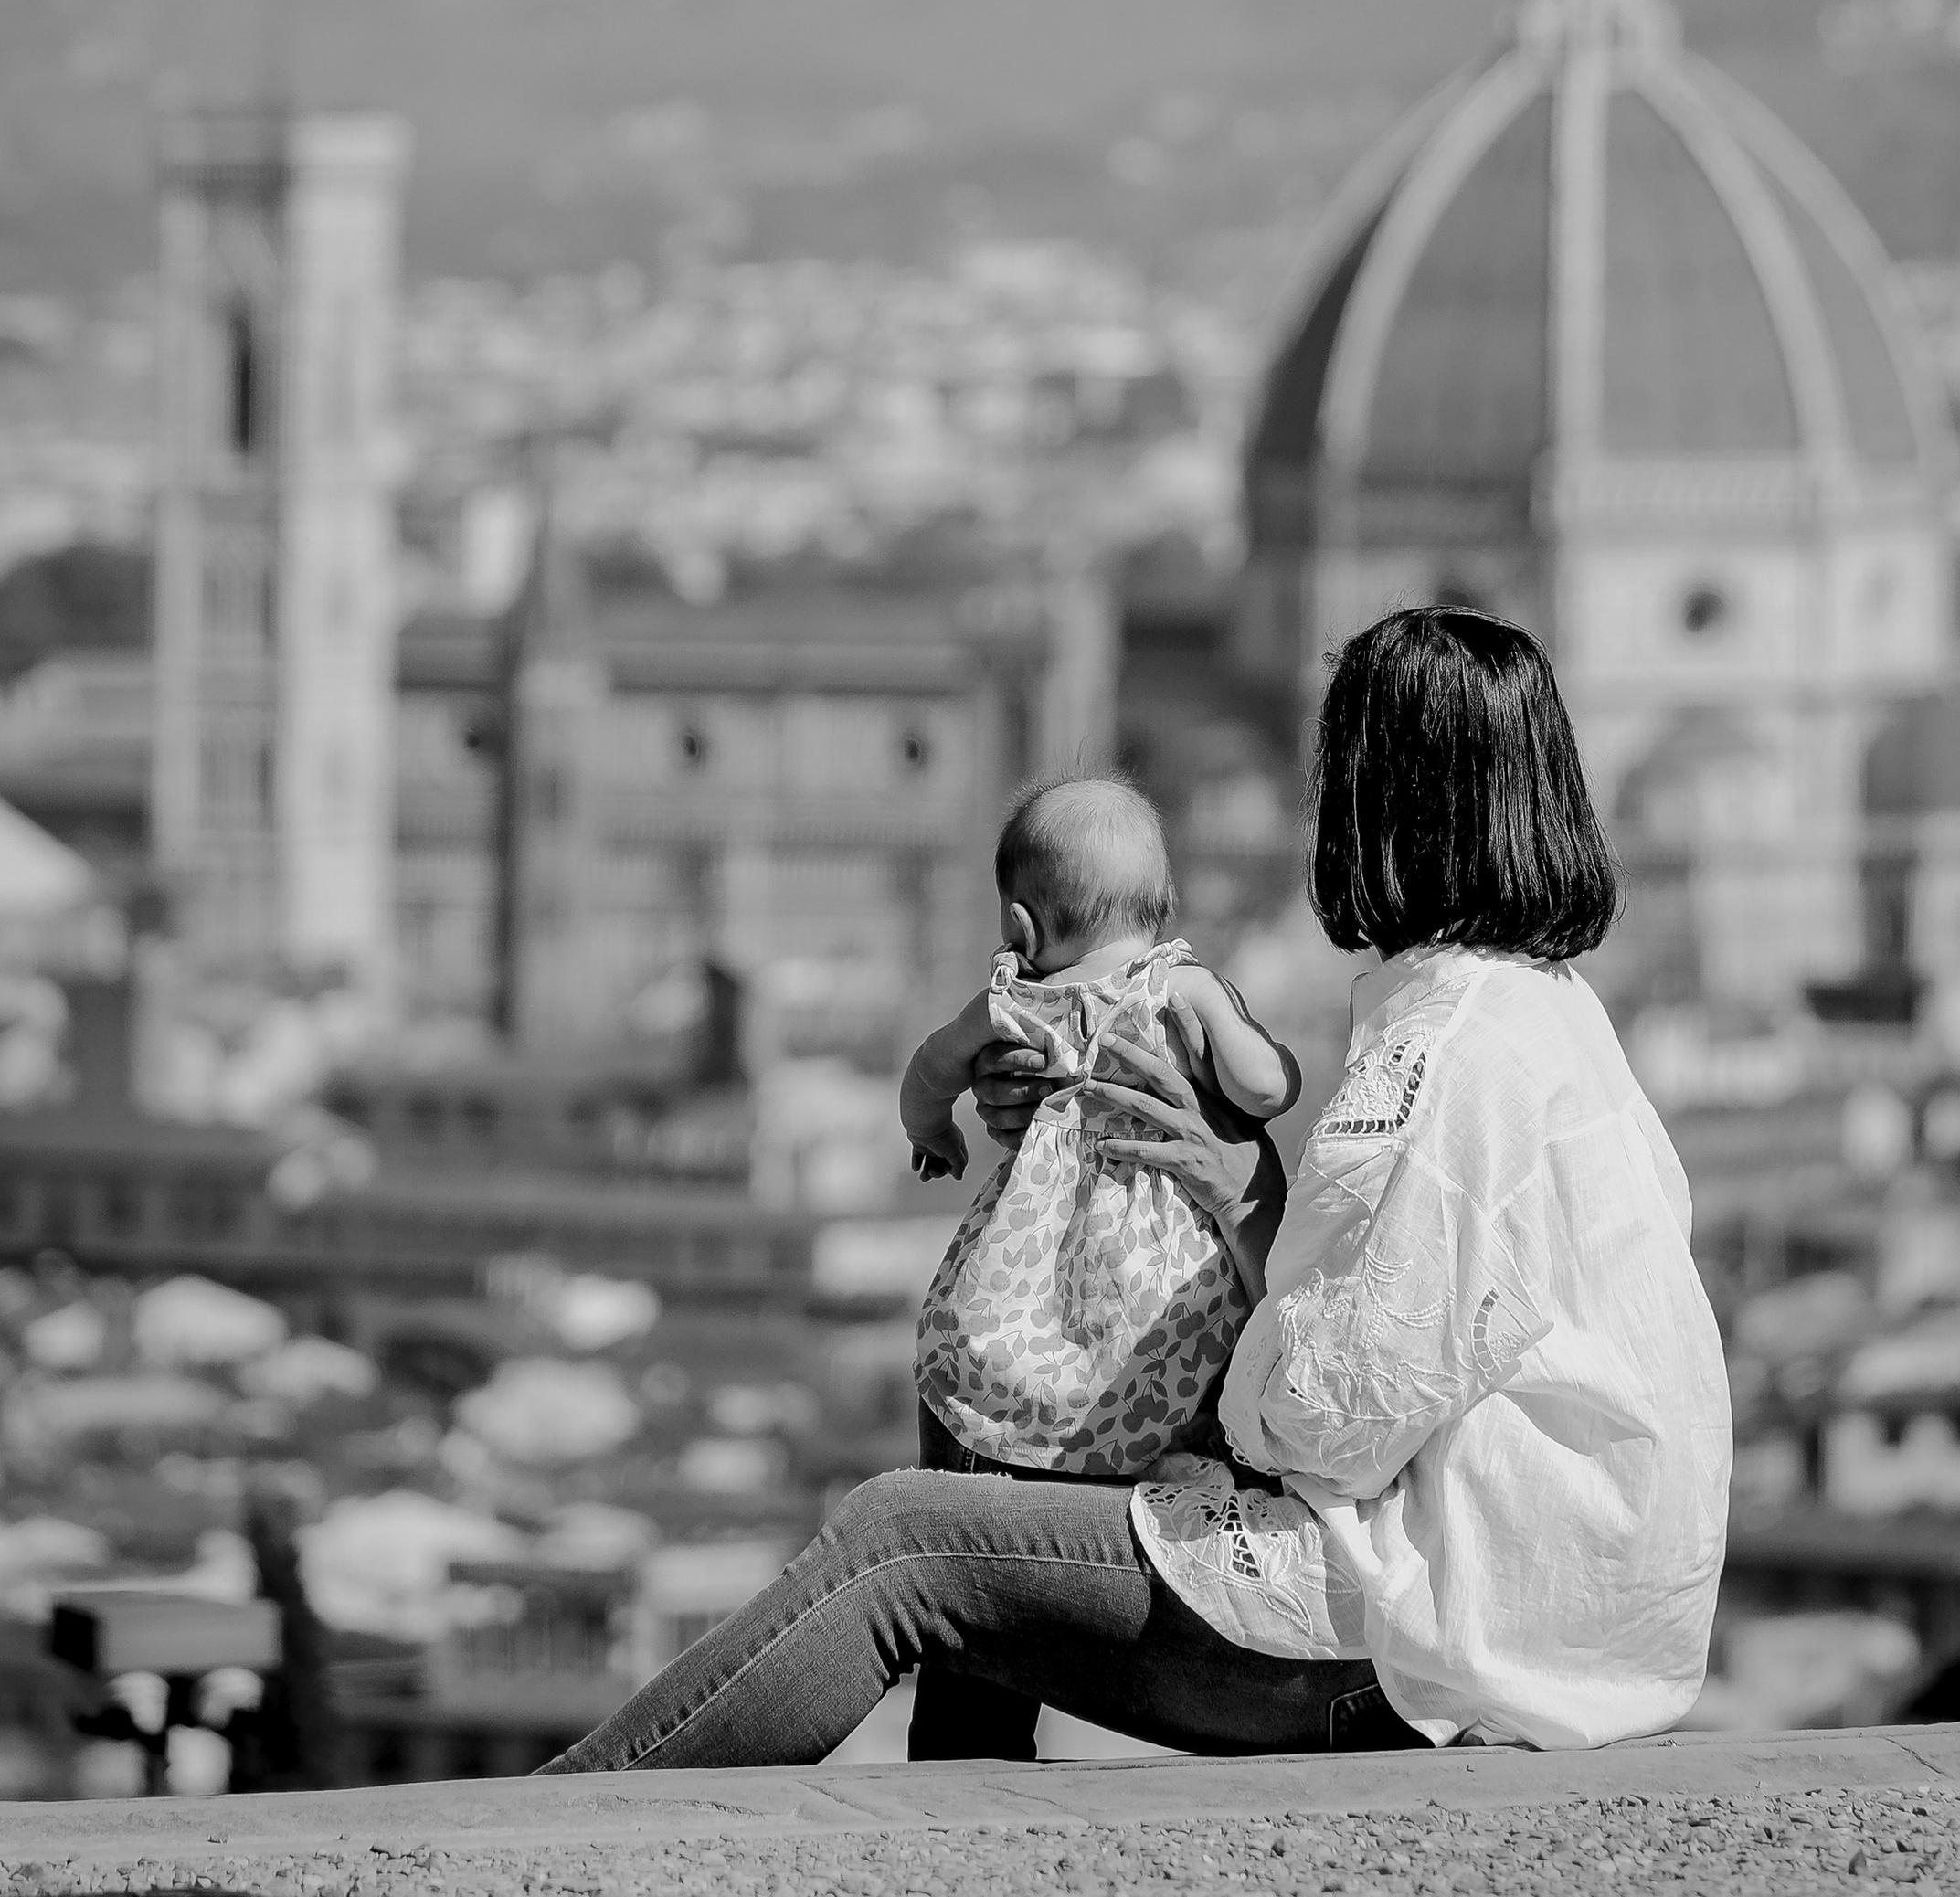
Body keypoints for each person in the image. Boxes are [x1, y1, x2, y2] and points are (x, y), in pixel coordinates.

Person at [542, 608, 1732, 1771]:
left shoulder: (1441, 1054)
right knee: (999, 1463)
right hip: (1551, 1629)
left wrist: (1232, 1239)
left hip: (1425, 1646)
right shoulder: (1554, 1021)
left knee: (897, 1539)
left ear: (1383, 806)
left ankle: (543, 1827)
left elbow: (1327, 1420)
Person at [902, 773, 1299, 1478]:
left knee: (997, 1354)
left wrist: (932, 1129)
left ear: (1021, 925)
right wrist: (1270, 1060)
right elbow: (1265, 1087)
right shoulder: (1177, 986)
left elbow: (928, 1069)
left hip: (1028, 1273)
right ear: (1163, 903)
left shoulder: (1012, 1003)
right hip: (1153, 1284)